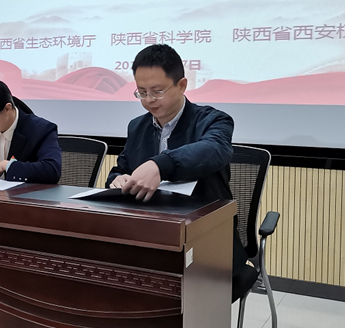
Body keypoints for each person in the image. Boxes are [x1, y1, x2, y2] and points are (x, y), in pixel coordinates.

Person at [106, 44, 247, 274]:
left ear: (181, 85)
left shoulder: (213, 120)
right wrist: (117, 179)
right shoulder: (137, 126)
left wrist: (160, 165)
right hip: (150, 234)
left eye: (157, 91)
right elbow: (122, 168)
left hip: (206, 238)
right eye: (142, 92)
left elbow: (214, 149)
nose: (149, 100)